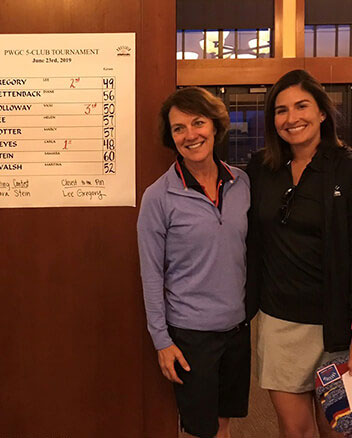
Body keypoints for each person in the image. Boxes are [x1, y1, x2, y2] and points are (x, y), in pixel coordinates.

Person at [246, 69, 352, 438]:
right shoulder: (262, 168)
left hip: (336, 328)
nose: (292, 118)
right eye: (281, 110)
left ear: (322, 112)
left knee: (342, 431)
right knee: (296, 430)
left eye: (302, 106)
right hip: (279, 324)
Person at [137, 87, 251, 438]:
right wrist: (161, 341)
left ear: (215, 126)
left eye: (198, 123)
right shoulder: (159, 197)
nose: (190, 135)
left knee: (224, 423)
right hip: (190, 336)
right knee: (199, 431)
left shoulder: (241, 182)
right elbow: (151, 273)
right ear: (170, 137)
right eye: (178, 128)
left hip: (236, 330)